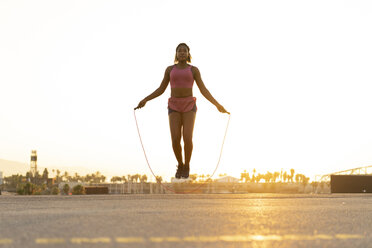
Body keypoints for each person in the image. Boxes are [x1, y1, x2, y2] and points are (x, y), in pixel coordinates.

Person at [135, 43, 229, 179]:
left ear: (188, 54)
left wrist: (217, 105)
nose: (182, 53)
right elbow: (161, 89)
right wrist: (145, 99)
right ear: (176, 54)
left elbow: (203, 90)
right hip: (174, 105)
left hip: (189, 105)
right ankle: (180, 164)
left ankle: (187, 165)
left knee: (187, 137)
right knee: (175, 139)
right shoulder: (169, 69)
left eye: (185, 51)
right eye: (180, 51)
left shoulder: (194, 70)